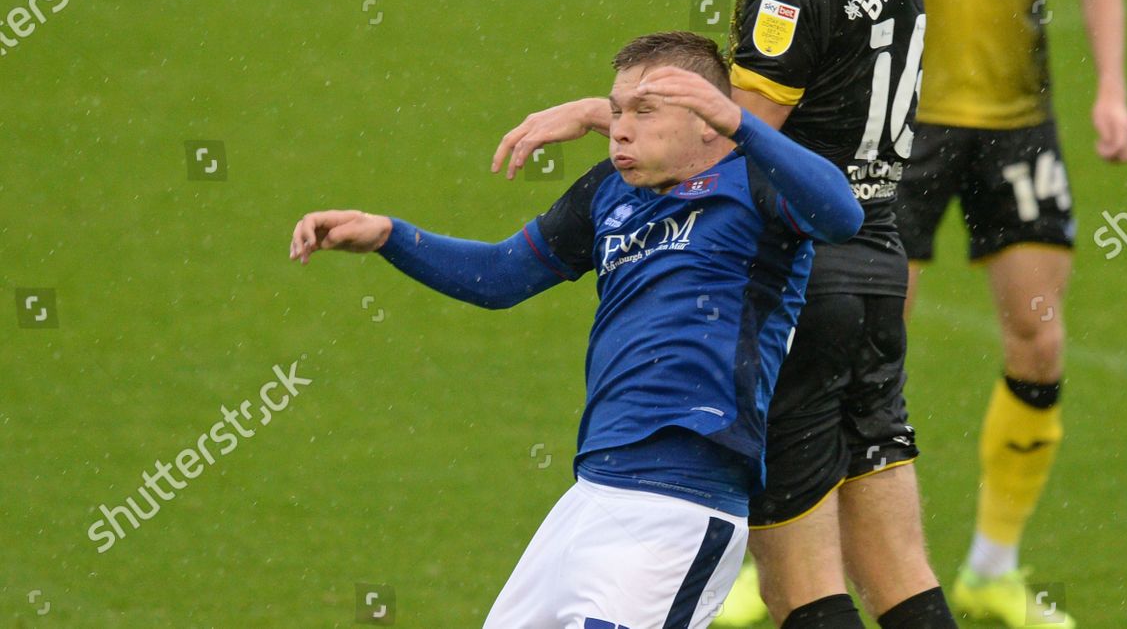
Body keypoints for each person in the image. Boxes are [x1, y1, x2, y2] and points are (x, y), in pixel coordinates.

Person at [496, 0, 958, 628]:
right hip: (880, 264)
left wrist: (597, 112)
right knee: (897, 565)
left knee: (799, 580)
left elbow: (729, 131)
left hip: (802, 273)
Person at [288, 32, 863, 629]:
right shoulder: (609, 192)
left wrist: (742, 124)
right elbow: (500, 277)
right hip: (591, 493)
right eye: (614, 111)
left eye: (644, 112)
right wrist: (389, 235)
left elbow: (842, 216)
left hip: (682, 502)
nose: (619, 129)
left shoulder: (758, 181)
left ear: (706, 121)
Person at [829, 0, 1127, 628]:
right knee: (863, 354)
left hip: (1017, 123)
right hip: (898, 126)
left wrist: (1112, 91)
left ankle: (993, 567)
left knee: (1038, 344)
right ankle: (803, 565)